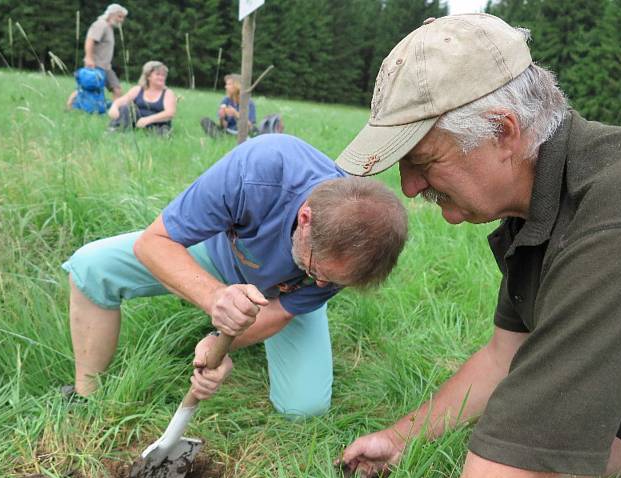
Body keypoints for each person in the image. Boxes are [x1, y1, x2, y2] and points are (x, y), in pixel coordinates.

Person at [335, 13, 621, 478]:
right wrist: (399, 438)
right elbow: (505, 358)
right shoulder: (540, 208)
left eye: (422, 160)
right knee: (508, 450)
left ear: (503, 132)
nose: (410, 187)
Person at [62, 134, 407, 418]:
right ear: (305, 221)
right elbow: (153, 243)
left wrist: (218, 343)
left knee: (305, 408)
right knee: (90, 267)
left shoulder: (350, 256)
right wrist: (216, 298)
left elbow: (281, 310)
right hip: (217, 254)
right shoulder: (260, 170)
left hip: (275, 295)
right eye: (317, 271)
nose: (320, 285)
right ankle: (86, 397)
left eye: (332, 283)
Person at [107, 61, 176, 135]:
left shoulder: (168, 93)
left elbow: (170, 113)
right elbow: (123, 100)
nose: (161, 77)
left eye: (163, 75)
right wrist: (114, 106)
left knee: (162, 133)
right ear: (148, 76)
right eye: (158, 74)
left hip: (157, 125)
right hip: (137, 123)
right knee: (125, 108)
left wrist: (148, 120)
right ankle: (115, 130)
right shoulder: (138, 89)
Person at [82, 3, 127, 100]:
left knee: (117, 89)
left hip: (105, 67)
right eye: (119, 17)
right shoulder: (101, 25)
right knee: (86, 89)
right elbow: (90, 40)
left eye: (123, 18)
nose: (121, 20)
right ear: (111, 14)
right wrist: (89, 58)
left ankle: (116, 113)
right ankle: (69, 108)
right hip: (95, 65)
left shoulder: (109, 28)